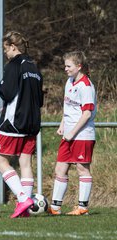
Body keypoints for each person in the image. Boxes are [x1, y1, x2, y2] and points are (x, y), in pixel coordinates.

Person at [0, 31, 44, 218]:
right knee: (25, 162)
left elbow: (6, 92)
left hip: (14, 122)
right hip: (32, 122)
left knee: (0, 161)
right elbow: (38, 98)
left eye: (6, 49)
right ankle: (26, 210)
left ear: (13, 47)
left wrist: (7, 102)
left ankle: (23, 198)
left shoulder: (13, 65)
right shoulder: (34, 66)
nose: (5, 53)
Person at [49, 51, 96, 216]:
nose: (65, 69)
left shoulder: (86, 86)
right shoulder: (69, 82)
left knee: (82, 169)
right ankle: (55, 208)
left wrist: (73, 132)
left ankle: (82, 207)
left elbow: (87, 114)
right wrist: (63, 125)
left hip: (82, 135)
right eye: (65, 66)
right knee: (60, 168)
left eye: (68, 66)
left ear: (79, 66)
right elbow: (68, 107)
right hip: (68, 135)